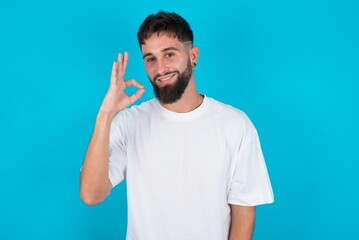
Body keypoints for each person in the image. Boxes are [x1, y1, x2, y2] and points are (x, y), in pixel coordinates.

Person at [80, 11, 274, 240]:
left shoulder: (235, 125)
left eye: (169, 54)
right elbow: (91, 194)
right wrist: (106, 114)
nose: (160, 68)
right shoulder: (130, 123)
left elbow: (243, 215)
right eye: (150, 58)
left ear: (193, 55)